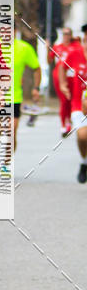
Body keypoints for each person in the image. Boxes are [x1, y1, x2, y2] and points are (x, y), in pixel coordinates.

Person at [59, 30, 87, 182]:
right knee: (82, 136)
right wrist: (63, 84)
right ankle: (84, 162)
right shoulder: (75, 54)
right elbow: (62, 67)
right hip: (78, 103)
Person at [48, 27, 79, 137]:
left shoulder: (75, 46)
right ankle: (64, 125)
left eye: (68, 34)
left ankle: (69, 121)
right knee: (64, 100)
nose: (66, 36)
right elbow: (49, 60)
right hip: (59, 77)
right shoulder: (57, 47)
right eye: (64, 34)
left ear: (71, 35)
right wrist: (48, 49)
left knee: (71, 100)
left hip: (72, 76)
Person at [13, 36, 41, 151]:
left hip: (14, 98)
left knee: (11, 133)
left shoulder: (24, 48)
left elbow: (36, 68)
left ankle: (7, 161)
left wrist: (36, 88)